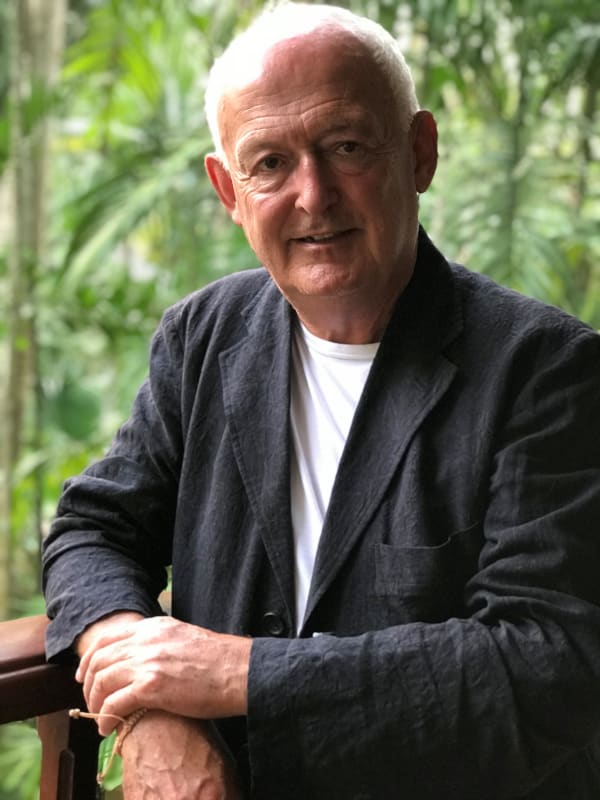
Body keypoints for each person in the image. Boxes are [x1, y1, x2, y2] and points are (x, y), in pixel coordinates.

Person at [42, 2, 600, 798]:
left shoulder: (546, 370)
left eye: (345, 147)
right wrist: (154, 711)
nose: (313, 194)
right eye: (268, 162)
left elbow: (549, 663)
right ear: (227, 191)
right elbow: (93, 528)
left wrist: (236, 675)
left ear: (419, 153)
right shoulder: (203, 337)